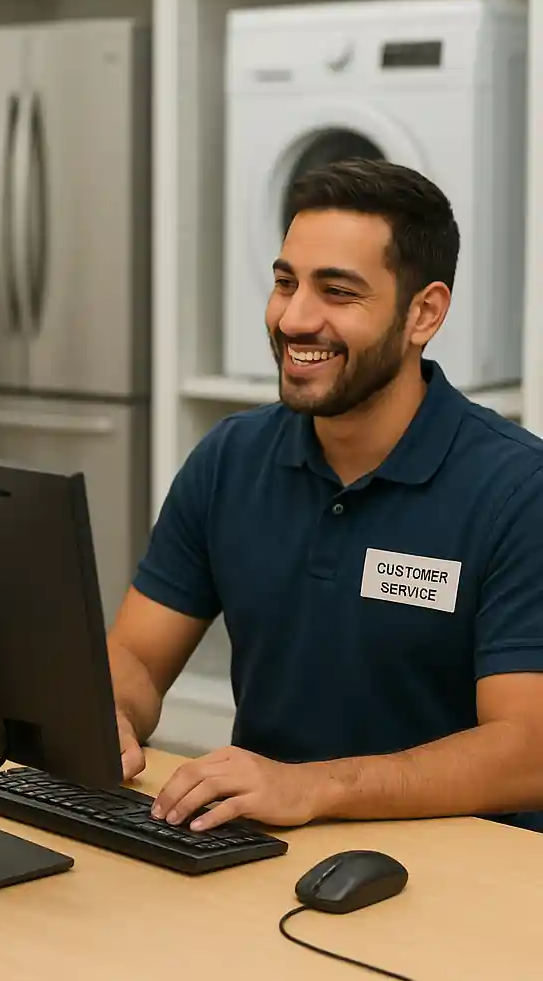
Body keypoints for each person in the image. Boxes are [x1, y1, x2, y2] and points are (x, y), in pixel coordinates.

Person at [109, 157, 543, 837]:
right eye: (286, 283)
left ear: (422, 313)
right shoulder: (229, 458)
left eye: (337, 292)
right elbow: (135, 656)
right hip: (260, 849)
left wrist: (312, 786)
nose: (294, 318)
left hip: (463, 874)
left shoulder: (519, 492)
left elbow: (529, 752)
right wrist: (112, 712)